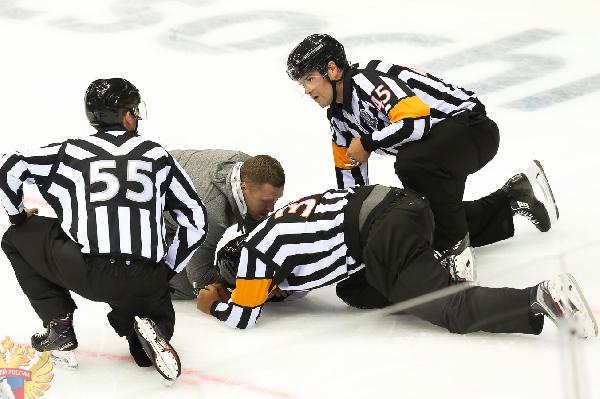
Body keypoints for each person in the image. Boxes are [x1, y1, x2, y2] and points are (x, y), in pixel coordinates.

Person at [286, 34, 559, 281]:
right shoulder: (338, 115)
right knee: (418, 218)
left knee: (412, 164)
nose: (307, 90)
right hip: (439, 148)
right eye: (302, 83)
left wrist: (368, 142)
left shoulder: (365, 80)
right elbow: (350, 181)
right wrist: (354, 226)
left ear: (332, 69)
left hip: (473, 130)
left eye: (310, 79)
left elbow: (417, 121)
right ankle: (511, 199)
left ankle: (455, 251)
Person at [0, 78, 208, 382]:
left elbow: (9, 167)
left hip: (88, 271)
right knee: (145, 329)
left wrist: (17, 217)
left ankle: (58, 327)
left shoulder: (71, 152)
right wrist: (166, 269)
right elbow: (195, 219)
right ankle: (149, 331)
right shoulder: (156, 154)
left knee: (15, 239)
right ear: (126, 116)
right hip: (146, 276)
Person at [196, 184, 597, 339]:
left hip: (382, 234)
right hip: (404, 204)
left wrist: (213, 302)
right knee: (353, 290)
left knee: (450, 311)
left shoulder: (251, 254)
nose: (271, 292)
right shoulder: (279, 225)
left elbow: (244, 316)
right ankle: (503, 204)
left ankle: (541, 296)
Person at [166, 150, 285, 300]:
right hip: (140, 214)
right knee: (188, 285)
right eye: (265, 201)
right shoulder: (208, 213)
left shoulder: (248, 168)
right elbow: (199, 275)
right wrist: (249, 286)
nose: (271, 209)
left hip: (174, 186)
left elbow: (258, 233)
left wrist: (275, 271)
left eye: (275, 200)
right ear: (243, 187)